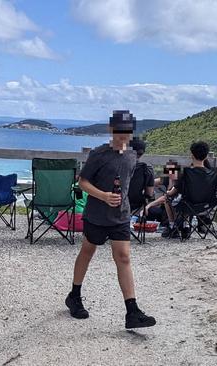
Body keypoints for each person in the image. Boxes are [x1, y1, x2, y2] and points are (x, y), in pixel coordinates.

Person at [65, 110, 157, 329]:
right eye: (118, 130)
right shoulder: (99, 154)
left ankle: (132, 311)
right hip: (97, 214)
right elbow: (83, 182)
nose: (122, 134)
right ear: (111, 129)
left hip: (121, 215)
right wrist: (104, 196)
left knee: (123, 257)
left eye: (126, 130)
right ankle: (74, 296)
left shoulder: (133, 155)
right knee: (87, 252)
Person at [157, 141, 214, 238]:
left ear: (192, 155)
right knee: (187, 199)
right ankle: (186, 226)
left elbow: (172, 192)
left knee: (168, 198)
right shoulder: (212, 174)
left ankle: (173, 226)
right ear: (206, 157)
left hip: (188, 206)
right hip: (207, 206)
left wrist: (167, 192)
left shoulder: (187, 174)